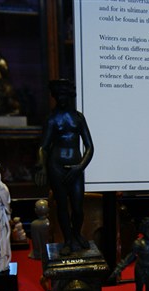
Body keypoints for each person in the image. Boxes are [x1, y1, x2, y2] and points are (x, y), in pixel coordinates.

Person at [36, 79, 94, 256]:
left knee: (78, 208)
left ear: (70, 96)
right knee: (61, 206)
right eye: (58, 95)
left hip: (76, 167)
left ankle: (76, 234)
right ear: (54, 96)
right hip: (56, 166)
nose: (61, 98)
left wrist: (80, 167)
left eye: (64, 95)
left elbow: (90, 147)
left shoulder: (78, 118)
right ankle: (68, 240)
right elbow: (43, 146)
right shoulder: (52, 119)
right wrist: (42, 166)